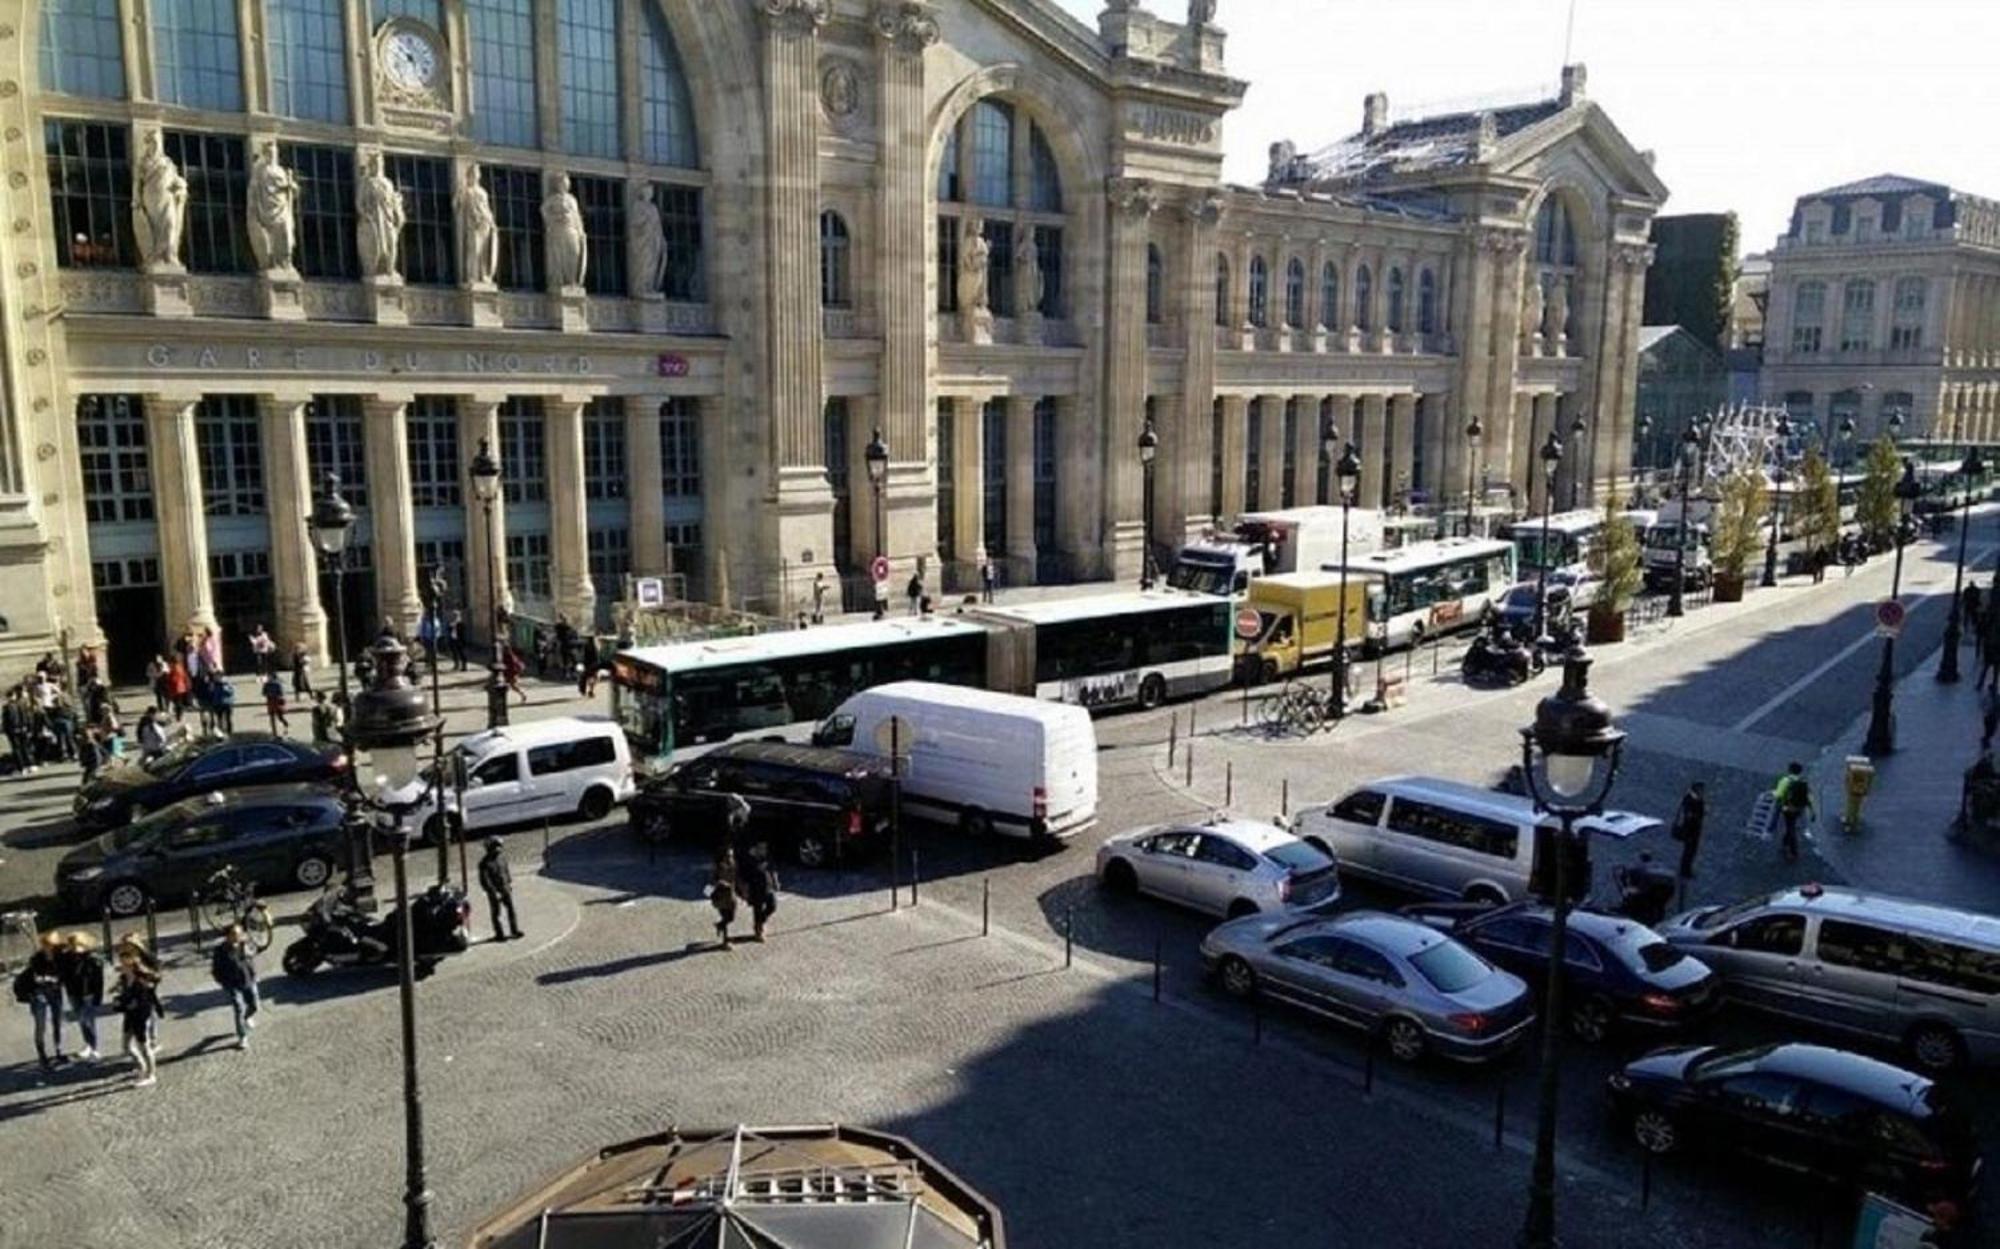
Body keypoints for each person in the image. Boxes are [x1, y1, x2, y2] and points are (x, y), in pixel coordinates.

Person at [15, 932, 67, 1070]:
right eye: (46, 945)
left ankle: (58, 1049)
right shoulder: (36, 959)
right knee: (40, 1025)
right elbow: (36, 977)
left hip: (55, 992)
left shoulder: (60, 957)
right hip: (39, 993)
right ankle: (42, 1054)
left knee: (58, 1021)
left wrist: (53, 980)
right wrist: (49, 979)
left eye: (50, 945)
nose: (48, 947)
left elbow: (63, 975)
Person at [112, 948, 163, 1087]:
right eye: (120, 962)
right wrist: (118, 999)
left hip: (141, 1014)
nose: (121, 965)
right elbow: (123, 993)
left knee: (144, 1046)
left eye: (123, 963)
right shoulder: (123, 978)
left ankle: (151, 1075)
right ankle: (142, 1065)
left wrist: (133, 1002)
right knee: (126, 1046)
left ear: (131, 963)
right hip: (129, 1015)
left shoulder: (141, 978)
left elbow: (148, 992)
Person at [209, 925, 259, 1049]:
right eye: (234, 934)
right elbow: (216, 969)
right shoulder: (221, 950)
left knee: (254, 1006)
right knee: (239, 1008)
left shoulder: (245, 945)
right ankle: (242, 1037)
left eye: (239, 934)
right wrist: (223, 982)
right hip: (233, 984)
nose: (237, 937)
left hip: (248, 980)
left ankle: (247, 1018)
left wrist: (250, 953)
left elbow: (254, 954)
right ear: (228, 936)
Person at [57, 931, 104, 1061]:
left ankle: (93, 1048)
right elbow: (62, 973)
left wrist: (98, 998)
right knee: (82, 1021)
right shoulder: (66, 957)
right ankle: (88, 1045)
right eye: (71, 944)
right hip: (73, 993)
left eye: (76, 944)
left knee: (87, 1021)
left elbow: (99, 980)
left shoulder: (93, 959)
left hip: (88, 994)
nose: (74, 947)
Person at [477, 837, 522, 942]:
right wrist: (493, 892)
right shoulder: (484, 863)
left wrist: (509, 883)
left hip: (505, 888)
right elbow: (485, 880)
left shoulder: (501, 858)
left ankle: (514, 931)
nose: (498, 849)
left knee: (511, 910)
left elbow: (506, 871)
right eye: (495, 846)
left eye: (499, 846)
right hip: (495, 892)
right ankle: (499, 934)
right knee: (496, 913)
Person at [1774, 761, 1816, 862]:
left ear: (1789, 770)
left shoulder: (1785, 780)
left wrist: (1774, 794)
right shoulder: (1803, 782)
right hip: (1799, 809)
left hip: (1788, 808)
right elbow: (1810, 798)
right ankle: (1784, 843)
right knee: (1791, 825)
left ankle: (1794, 852)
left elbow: (1778, 795)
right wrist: (1813, 812)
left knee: (1791, 828)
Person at [737, 843, 778, 941]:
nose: (764, 851)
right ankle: (758, 930)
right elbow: (742, 878)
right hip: (755, 889)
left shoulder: (767, 857)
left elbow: (772, 869)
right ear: (756, 849)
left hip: (768, 887)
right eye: (762, 849)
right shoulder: (748, 861)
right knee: (757, 909)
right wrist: (744, 891)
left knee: (772, 906)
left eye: (765, 849)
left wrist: (775, 881)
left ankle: (761, 922)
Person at [1670, 781, 1706, 880]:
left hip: (1694, 829)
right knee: (1689, 850)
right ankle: (1684, 870)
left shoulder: (1697, 799)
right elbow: (1689, 815)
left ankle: (1686, 869)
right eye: (1701, 789)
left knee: (1691, 850)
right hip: (1690, 829)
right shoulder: (1690, 799)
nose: (1702, 792)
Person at [708, 845, 739, 948]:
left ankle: (719, 925)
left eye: (731, 855)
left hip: (731, 896)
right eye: (728, 856)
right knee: (725, 916)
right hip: (720, 897)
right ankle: (725, 941)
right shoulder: (718, 867)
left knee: (731, 917)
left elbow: (736, 880)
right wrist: (720, 884)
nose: (730, 858)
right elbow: (711, 883)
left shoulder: (734, 865)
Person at [262, 670, 289, 736]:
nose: (268, 677)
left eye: (269, 676)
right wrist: (268, 694)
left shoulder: (278, 684)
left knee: (280, 717)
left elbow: (281, 693)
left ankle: (285, 725)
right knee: (272, 717)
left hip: (277, 702)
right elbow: (263, 693)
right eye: (268, 676)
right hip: (270, 702)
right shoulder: (266, 684)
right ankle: (274, 732)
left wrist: (277, 696)